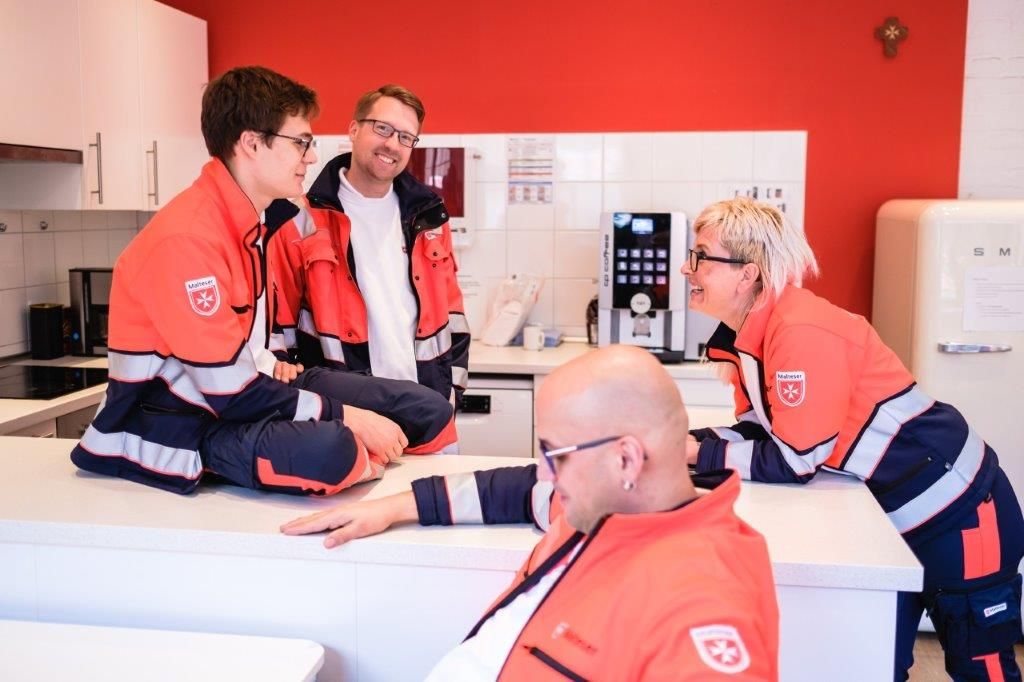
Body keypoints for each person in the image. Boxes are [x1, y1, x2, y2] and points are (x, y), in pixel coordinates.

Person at [283, 345, 780, 680]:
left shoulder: (704, 609)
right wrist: (394, 507)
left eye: (554, 454)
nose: (544, 473)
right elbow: (513, 491)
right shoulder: (611, 501)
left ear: (626, 459)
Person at [680, 197, 1024, 681]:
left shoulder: (798, 331)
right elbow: (762, 430)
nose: (686, 269)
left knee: (980, 667)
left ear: (747, 274)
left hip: (961, 510)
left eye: (700, 257)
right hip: (890, 520)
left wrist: (694, 453)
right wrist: (683, 441)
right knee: (878, 662)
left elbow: (796, 458)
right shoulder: (749, 336)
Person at [71, 66, 453, 496]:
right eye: (300, 142)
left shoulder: (256, 226)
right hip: (184, 420)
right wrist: (347, 417)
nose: (311, 157)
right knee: (333, 449)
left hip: (255, 385)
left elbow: (250, 341)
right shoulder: (188, 239)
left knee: (428, 409)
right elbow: (229, 390)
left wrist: (276, 363)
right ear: (252, 143)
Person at [269, 84, 469, 438]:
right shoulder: (300, 219)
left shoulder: (430, 218)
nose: (393, 144)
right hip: (348, 420)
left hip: (428, 412)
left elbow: (453, 315)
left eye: (406, 137)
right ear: (353, 129)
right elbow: (278, 326)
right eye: (382, 128)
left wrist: (451, 395)